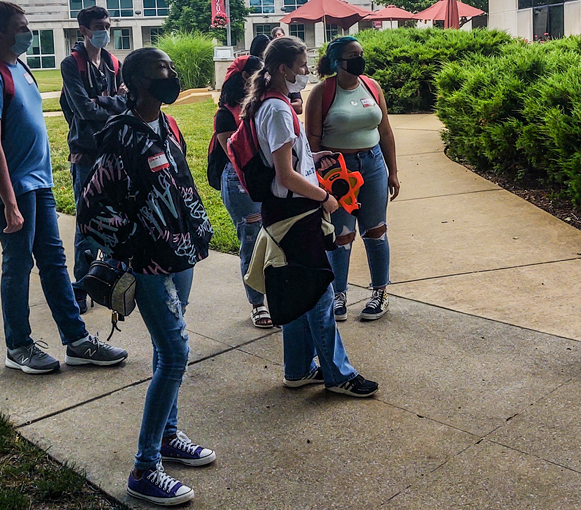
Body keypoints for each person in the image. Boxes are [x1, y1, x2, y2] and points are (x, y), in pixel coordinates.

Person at [78, 47, 215, 506]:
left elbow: (181, 183)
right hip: (150, 265)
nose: (171, 76)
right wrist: (135, 249)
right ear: (136, 80)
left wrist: (198, 231)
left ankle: (168, 438)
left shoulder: (167, 125)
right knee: (176, 353)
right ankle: (144, 468)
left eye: (172, 69)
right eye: (162, 70)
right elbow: (91, 209)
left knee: (165, 351)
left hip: (181, 257)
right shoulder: (122, 135)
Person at [241, 36, 378, 397]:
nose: (306, 72)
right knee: (318, 291)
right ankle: (338, 374)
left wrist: (313, 160)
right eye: (302, 66)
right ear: (283, 68)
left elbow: (282, 164)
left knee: (302, 290)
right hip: (296, 214)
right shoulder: (279, 110)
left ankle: (299, 368)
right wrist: (325, 196)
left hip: (283, 212)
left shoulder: (267, 104)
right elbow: (285, 176)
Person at [0, 1, 127, 375]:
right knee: (18, 265)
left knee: (54, 263)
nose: (28, 32)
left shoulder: (20, 68)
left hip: (39, 182)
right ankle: (18, 346)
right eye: (21, 26)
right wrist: (8, 201)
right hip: (15, 188)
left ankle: (77, 340)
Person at [305, 36, 399, 322]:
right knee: (341, 236)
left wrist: (392, 171)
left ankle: (380, 292)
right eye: (352, 55)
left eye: (360, 53)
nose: (359, 59)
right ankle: (338, 294)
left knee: (376, 230)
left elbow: (385, 131)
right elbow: (312, 139)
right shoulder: (323, 92)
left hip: (372, 165)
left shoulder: (372, 86)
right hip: (338, 171)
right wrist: (320, 178)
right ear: (337, 61)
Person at [60, 5, 127, 314]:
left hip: (112, 152)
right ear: (83, 30)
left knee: (115, 218)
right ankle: (81, 286)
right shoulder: (71, 65)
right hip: (86, 155)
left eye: (108, 25)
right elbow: (83, 110)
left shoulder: (114, 63)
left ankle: (109, 278)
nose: (105, 31)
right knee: (87, 223)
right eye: (99, 25)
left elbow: (126, 103)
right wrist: (112, 101)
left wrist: (103, 102)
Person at [215, 54, 273, 328]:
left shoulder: (263, 104)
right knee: (251, 240)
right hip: (241, 183)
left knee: (273, 239)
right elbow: (234, 155)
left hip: (268, 177)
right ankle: (257, 303)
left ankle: (274, 296)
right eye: (258, 73)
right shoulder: (226, 114)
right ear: (244, 77)